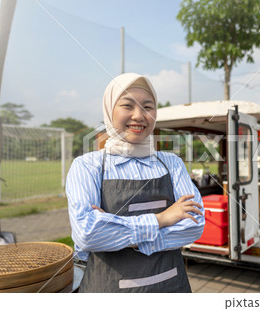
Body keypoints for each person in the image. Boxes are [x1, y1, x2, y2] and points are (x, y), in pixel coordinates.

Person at [66, 73, 204, 293]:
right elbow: (88, 234)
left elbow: (194, 225)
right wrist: (161, 219)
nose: (139, 115)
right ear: (109, 110)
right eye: (128, 105)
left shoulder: (172, 163)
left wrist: (116, 232)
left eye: (148, 107)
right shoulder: (87, 166)